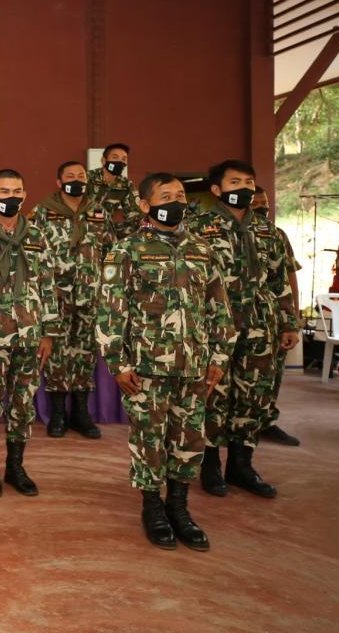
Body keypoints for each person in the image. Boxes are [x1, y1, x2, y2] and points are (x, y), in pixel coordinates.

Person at [98, 173, 237, 551]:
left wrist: (219, 357)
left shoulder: (202, 250)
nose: (175, 202)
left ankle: (179, 507)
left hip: (194, 367)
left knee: (189, 440)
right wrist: (118, 363)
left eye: (179, 195)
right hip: (146, 369)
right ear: (145, 205)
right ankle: (152, 508)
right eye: (165, 196)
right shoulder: (127, 250)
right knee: (150, 441)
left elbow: (219, 309)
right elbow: (111, 312)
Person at [187, 161, 299, 499]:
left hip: (261, 326)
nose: (244, 188)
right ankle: (210, 467)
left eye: (249, 181)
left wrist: (288, 321)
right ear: (217, 190)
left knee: (253, 396)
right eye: (235, 181)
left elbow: (280, 281)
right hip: (215, 326)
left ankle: (241, 465)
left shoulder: (270, 233)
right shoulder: (196, 227)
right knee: (213, 395)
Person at [0, 169, 60, 497]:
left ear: (25, 194)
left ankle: (16, 467)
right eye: (4, 191)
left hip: (30, 333)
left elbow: (48, 286)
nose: (11, 197)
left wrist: (48, 332)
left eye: (17, 191)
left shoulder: (37, 236)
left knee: (23, 403)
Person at [35, 160, 117, 438]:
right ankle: (57, 413)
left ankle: (81, 412)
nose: (76, 180)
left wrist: (107, 289)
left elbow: (111, 254)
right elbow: (32, 251)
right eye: (70, 176)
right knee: (55, 354)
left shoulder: (98, 212)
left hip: (90, 296)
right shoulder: (43, 212)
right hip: (55, 297)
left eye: (81, 176)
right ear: (59, 183)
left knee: (85, 353)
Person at [253, 186, 302, 447]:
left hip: (273, 317)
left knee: (272, 373)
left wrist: (293, 314)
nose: (263, 208)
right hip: (238, 321)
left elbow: (288, 274)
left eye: (265, 203)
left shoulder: (276, 235)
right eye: (256, 203)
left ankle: (267, 421)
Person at [87, 143, 143, 230]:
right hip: (83, 225)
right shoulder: (87, 178)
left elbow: (135, 214)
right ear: (103, 161)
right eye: (115, 157)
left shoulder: (126, 184)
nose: (120, 161)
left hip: (106, 228)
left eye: (124, 159)